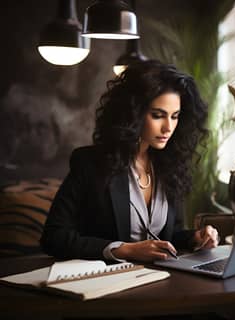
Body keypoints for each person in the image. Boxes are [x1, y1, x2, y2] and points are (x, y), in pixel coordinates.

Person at [41, 60, 219, 262]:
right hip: (106, 282)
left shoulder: (171, 165)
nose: (168, 127)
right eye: (157, 115)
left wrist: (194, 238)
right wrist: (122, 250)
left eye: (175, 116)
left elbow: (169, 235)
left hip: (160, 280)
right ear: (134, 113)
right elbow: (53, 237)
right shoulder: (89, 163)